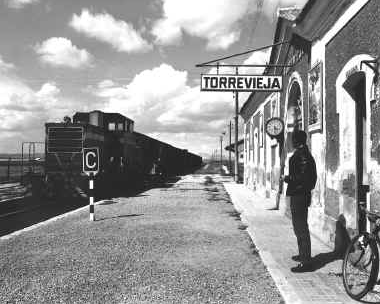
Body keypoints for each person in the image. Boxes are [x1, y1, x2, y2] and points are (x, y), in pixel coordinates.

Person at [282, 130, 317, 272]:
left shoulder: (303, 155)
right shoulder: (302, 153)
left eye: (293, 139)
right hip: (299, 194)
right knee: (298, 227)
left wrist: (288, 178)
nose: (291, 141)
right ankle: (303, 255)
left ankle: (306, 262)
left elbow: (305, 178)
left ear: (298, 140)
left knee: (301, 228)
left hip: (300, 195)